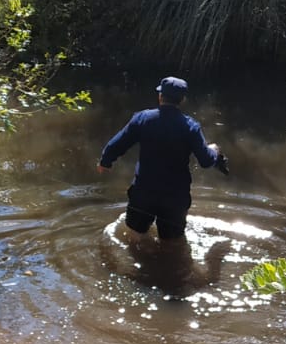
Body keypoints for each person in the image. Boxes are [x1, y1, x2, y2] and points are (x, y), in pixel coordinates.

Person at [97, 76, 228, 241]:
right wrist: (214, 151)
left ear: (160, 96)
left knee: (135, 237)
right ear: (182, 100)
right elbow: (206, 161)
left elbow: (117, 143)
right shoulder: (190, 127)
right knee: (172, 244)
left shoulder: (142, 119)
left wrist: (105, 162)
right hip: (175, 197)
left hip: (143, 192)